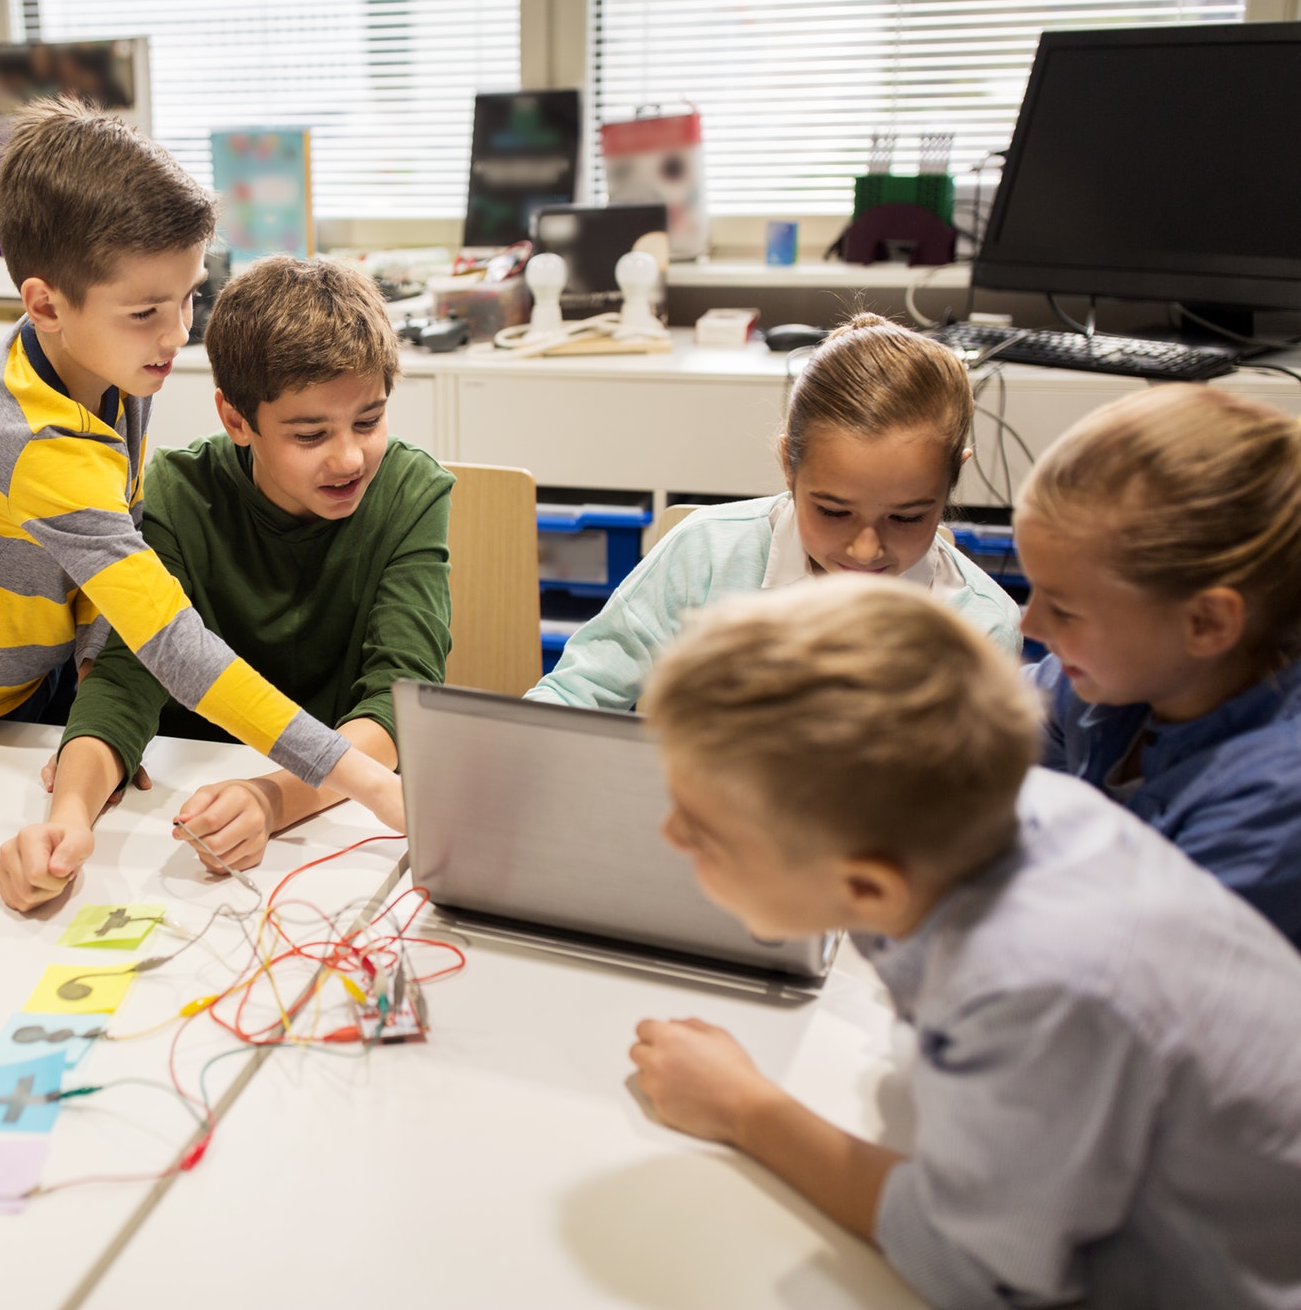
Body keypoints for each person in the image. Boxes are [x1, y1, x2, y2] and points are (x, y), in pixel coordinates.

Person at [626, 576, 1301, 1309]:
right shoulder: (1029, 806)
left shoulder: (1032, 981)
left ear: (868, 890)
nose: (669, 836)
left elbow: (978, 1266)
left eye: (702, 829)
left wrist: (743, 1107)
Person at [0, 99, 404, 834]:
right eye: (148, 311)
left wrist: (93, 684)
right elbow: (172, 643)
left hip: (39, 667)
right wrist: (369, 781)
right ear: (45, 303)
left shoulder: (107, 362)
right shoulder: (31, 442)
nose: (179, 334)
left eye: (189, 298)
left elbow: (114, 536)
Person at [0, 256, 453, 910]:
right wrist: (68, 816)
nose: (349, 456)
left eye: (369, 421)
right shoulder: (175, 497)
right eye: (310, 433)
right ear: (236, 420)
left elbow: (397, 702)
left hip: (329, 830)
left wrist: (272, 797)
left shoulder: (412, 492)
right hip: (186, 824)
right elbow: (124, 680)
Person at [528, 312, 1019, 710]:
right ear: (789, 465)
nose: (866, 548)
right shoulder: (705, 554)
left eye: (907, 517)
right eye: (832, 511)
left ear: (953, 477)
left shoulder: (981, 627)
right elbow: (573, 697)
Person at [1013, 383, 1301, 945]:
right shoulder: (1125, 673)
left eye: (1065, 609)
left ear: (1207, 624)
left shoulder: (1274, 806)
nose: (1031, 628)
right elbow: (965, 731)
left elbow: (1116, 985)